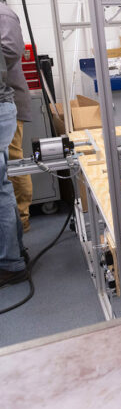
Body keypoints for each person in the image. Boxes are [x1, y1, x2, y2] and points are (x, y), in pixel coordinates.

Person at [0, 0, 30, 232]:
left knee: (13, 162)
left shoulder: (4, 15)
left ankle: (21, 218)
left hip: (8, 100)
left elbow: (10, 50)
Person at [0, 48, 24, 287]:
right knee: (3, 189)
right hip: (3, 108)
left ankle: (10, 263)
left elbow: (12, 50)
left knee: (0, 193)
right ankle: (14, 255)